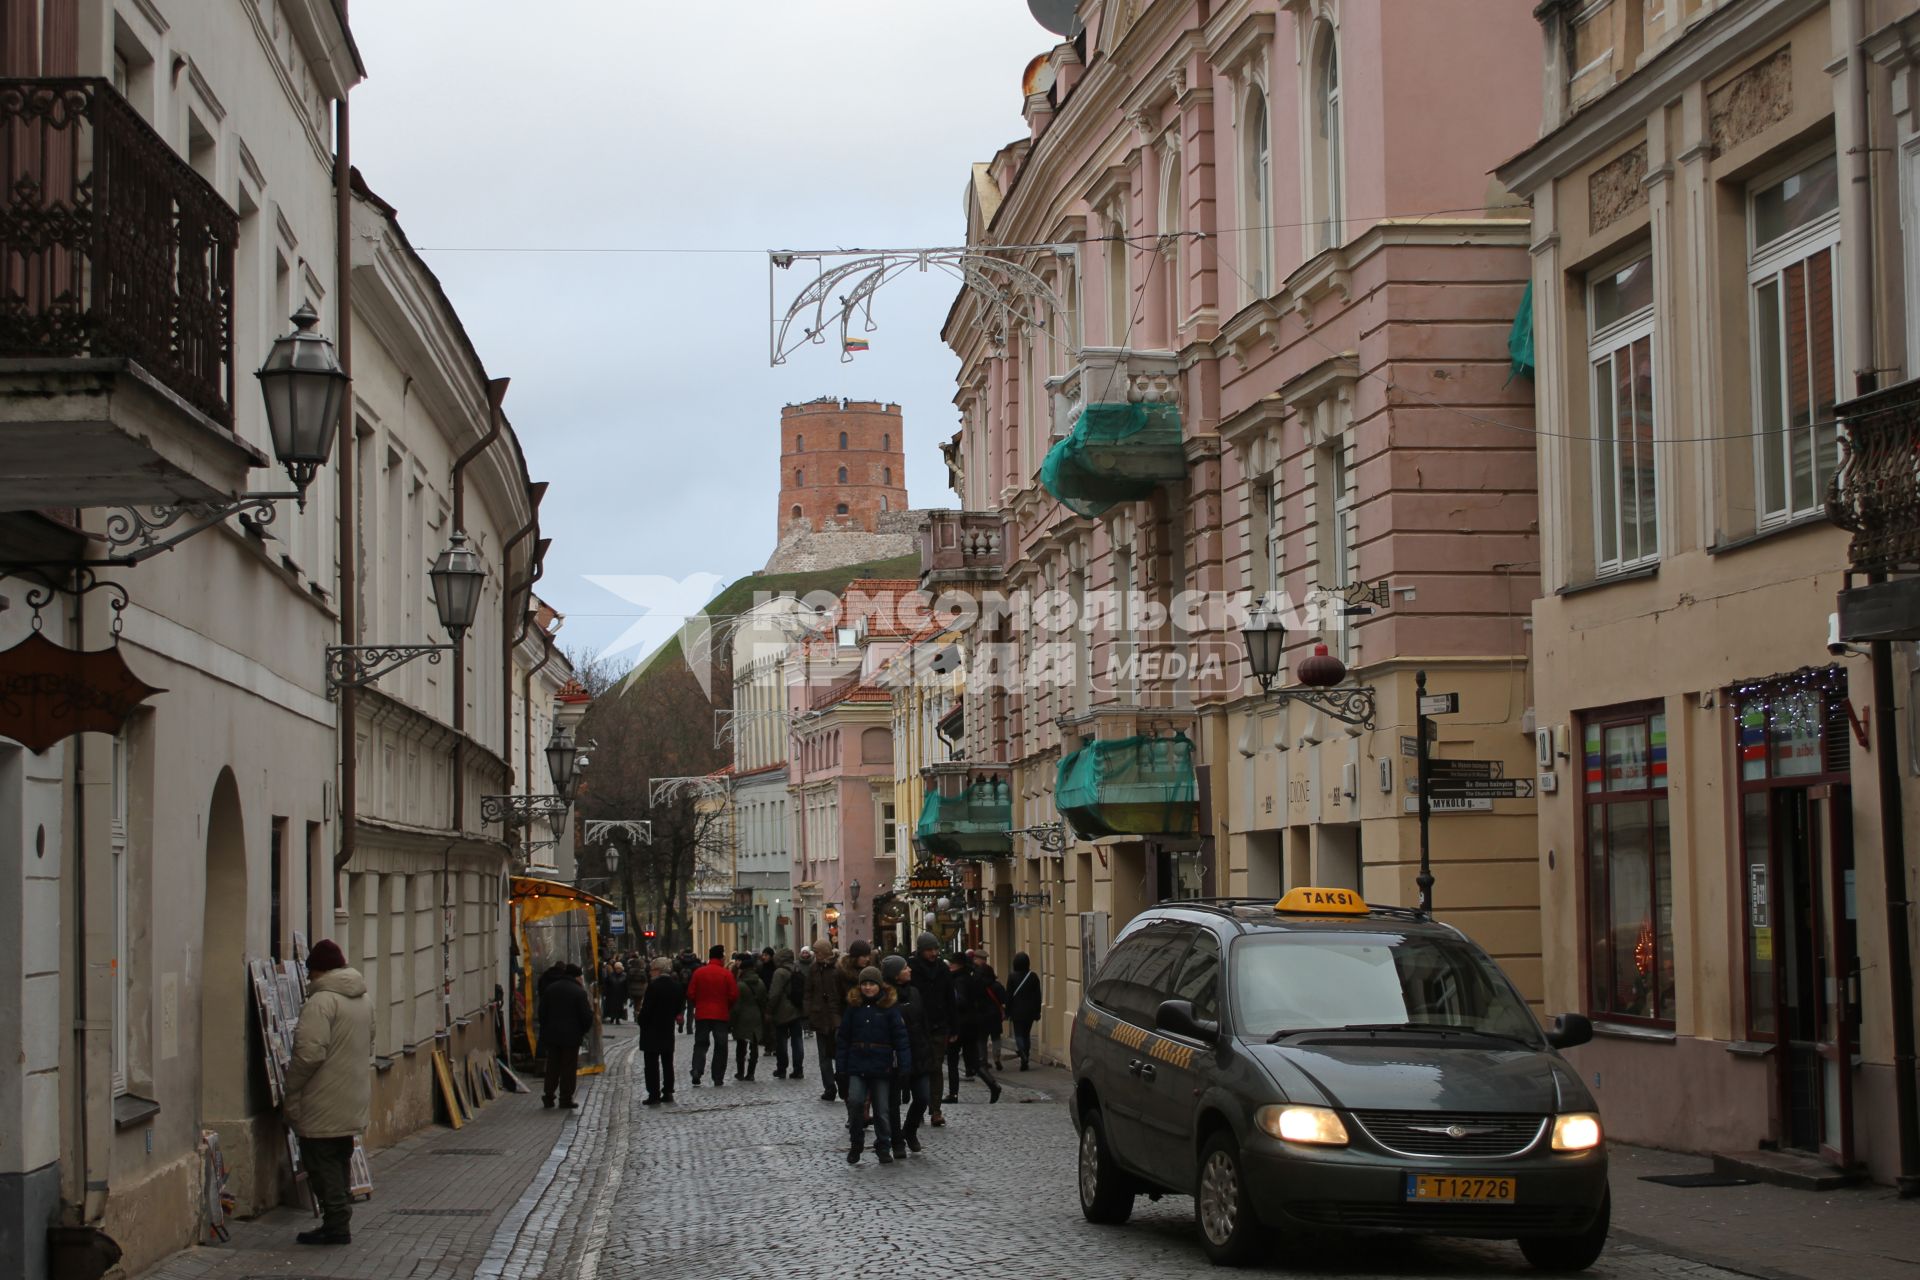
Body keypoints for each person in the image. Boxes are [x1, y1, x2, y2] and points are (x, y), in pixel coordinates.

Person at [285, 940, 371, 1246]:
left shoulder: (322, 1002)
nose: (308, 979)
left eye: (311, 972)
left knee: (321, 1162)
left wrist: (290, 1086)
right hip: (352, 1094)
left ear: (320, 970)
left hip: (323, 1097)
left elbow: (309, 1054)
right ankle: (337, 1218)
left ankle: (336, 1224)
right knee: (339, 1157)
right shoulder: (362, 999)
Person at [836, 966, 910, 1165]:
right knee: (855, 1102)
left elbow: (901, 1040)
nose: (868, 988)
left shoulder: (889, 1008)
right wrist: (841, 1070)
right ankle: (856, 1142)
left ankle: (883, 1145)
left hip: (882, 1066)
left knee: (882, 1110)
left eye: (871, 984)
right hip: (856, 1064)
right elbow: (843, 1039)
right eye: (864, 984)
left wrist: (904, 1067)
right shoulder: (853, 1008)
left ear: (879, 985)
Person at [880, 954, 933, 1156]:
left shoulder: (915, 993)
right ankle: (897, 1141)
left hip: (918, 1054)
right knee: (892, 1104)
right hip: (894, 1058)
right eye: (904, 968)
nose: (909, 970)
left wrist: (928, 1051)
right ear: (895, 975)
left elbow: (923, 1023)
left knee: (922, 1098)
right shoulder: (885, 998)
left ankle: (909, 1131)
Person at [907, 933, 954, 1127]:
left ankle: (936, 1110)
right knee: (918, 1070)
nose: (934, 953)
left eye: (936, 949)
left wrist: (954, 1026)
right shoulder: (911, 970)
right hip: (917, 1027)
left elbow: (950, 998)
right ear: (921, 950)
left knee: (936, 1068)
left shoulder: (943, 969)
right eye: (930, 950)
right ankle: (918, 1108)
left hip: (938, 1025)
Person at [538, 963, 595, 1110]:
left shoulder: (551, 989)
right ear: (577, 977)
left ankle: (548, 1096)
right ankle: (565, 1098)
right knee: (568, 1068)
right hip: (571, 1036)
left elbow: (542, 1013)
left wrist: (546, 1029)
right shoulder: (579, 992)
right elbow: (586, 1016)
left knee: (552, 1066)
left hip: (552, 1035)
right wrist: (582, 1030)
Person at [948, 951, 1002, 1103]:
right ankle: (992, 1085)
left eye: (952, 963)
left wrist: (951, 1005)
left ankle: (953, 1094)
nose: (950, 965)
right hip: (972, 1023)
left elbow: (961, 1001)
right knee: (974, 1061)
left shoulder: (959, 980)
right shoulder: (971, 977)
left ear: (957, 964)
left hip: (960, 1024)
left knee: (952, 1059)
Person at [686, 944, 739, 1087]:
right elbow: (733, 995)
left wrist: (698, 1003)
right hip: (720, 1014)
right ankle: (717, 1076)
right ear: (721, 957)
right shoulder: (726, 974)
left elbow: (690, 993)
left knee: (701, 1044)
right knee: (721, 1046)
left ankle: (697, 1069)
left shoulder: (699, 972)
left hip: (702, 1013)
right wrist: (726, 1006)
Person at [636, 956, 682, 1105]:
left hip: (652, 1029)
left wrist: (641, 1021)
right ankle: (668, 1091)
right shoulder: (676, 986)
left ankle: (653, 1094)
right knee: (667, 1062)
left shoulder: (653, 986)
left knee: (651, 1064)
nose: (650, 973)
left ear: (658, 970)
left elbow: (646, 1009)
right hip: (667, 1028)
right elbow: (679, 1007)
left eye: (652, 970)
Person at [832, 940, 873, 1100]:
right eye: (863, 956)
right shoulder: (841, 974)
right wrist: (837, 1024)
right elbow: (835, 1000)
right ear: (855, 957)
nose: (867, 959)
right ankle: (853, 1105)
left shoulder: (871, 973)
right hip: (847, 1022)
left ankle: (864, 1108)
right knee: (848, 1066)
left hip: (868, 1022)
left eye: (868, 955)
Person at [804, 941, 842, 1102]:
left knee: (839, 1055)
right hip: (819, 1017)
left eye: (817, 952)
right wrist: (809, 1011)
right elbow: (808, 992)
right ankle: (829, 1087)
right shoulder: (813, 969)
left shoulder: (837, 969)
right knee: (824, 1057)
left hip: (836, 1017)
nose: (815, 955)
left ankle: (843, 1084)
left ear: (825, 952)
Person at [765, 948, 805, 1080]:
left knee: (781, 1041)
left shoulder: (780, 972)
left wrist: (769, 1010)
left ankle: (782, 1068)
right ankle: (798, 1069)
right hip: (797, 1009)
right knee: (797, 1040)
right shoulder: (797, 969)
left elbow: (774, 994)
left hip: (782, 1011)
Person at [731, 953, 767, 1081]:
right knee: (754, 1045)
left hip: (742, 1017)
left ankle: (740, 1072)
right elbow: (764, 1001)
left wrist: (732, 1021)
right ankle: (751, 1073)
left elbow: (736, 1006)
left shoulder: (739, 985)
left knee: (741, 1045)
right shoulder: (761, 983)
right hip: (756, 1016)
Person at [1006, 951, 1042, 1071]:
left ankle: (1022, 1053)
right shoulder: (1033, 976)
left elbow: (1009, 996)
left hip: (1016, 1011)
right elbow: (1038, 996)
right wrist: (1038, 1011)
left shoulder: (1012, 977)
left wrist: (1007, 1011)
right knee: (1026, 1034)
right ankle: (1025, 1057)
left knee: (1019, 1034)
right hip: (1030, 1011)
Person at [979, 960, 1008, 1069]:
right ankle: (996, 1058)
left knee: (982, 1039)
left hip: (981, 1016)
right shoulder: (997, 985)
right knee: (996, 1037)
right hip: (994, 1015)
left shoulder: (977, 986)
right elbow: (1004, 999)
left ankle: (983, 1060)